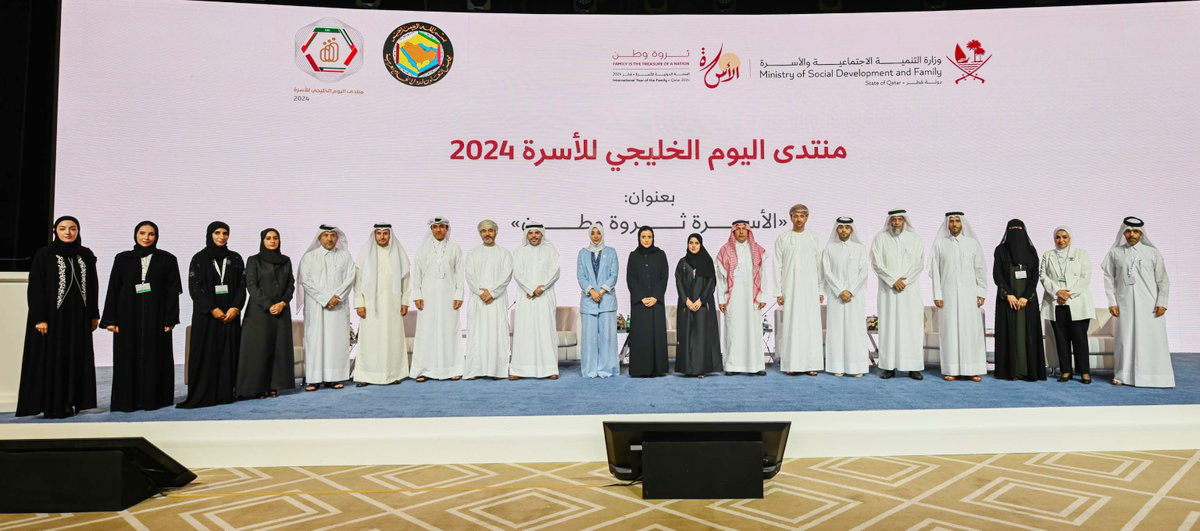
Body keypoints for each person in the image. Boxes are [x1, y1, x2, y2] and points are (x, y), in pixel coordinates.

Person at [16, 216, 99, 418]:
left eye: (72, 228)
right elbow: (36, 288)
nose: (68, 232)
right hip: (53, 319)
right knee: (53, 358)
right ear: (56, 231)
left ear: (78, 231)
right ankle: (53, 403)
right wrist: (39, 318)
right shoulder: (45, 254)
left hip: (78, 319)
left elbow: (93, 286)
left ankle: (71, 400)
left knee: (75, 357)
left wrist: (94, 314)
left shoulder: (85, 255)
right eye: (63, 228)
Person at [101, 221, 181, 411]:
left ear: (156, 236)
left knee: (156, 356)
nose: (146, 237)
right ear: (135, 235)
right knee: (127, 356)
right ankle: (127, 401)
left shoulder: (167, 259)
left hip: (157, 317)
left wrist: (171, 319)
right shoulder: (122, 259)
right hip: (127, 316)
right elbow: (114, 288)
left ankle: (155, 400)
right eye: (142, 233)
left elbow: (173, 292)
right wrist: (110, 320)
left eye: (151, 234)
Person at [178, 221, 244, 408]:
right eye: (217, 233)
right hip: (206, 316)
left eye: (225, 233)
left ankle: (225, 393)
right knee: (205, 353)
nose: (222, 236)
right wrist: (212, 309)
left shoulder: (236, 258)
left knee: (227, 354)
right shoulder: (199, 258)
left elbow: (242, 287)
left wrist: (235, 308)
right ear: (209, 234)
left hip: (230, 315)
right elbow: (195, 288)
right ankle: (204, 394)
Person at [1102, 217, 1173, 388]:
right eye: (1128, 231)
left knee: (1152, 340)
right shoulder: (1115, 253)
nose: (1131, 234)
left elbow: (1163, 281)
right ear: (1123, 232)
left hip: (1150, 306)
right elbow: (1109, 279)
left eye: (1135, 231)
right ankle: (1122, 375)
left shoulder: (1152, 253)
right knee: (1124, 340)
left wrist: (1162, 302)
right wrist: (1112, 302)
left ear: (1141, 233)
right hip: (1124, 305)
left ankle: (1155, 377)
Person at [236, 228, 296, 398]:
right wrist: (269, 305)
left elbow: (291, 284)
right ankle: (257, 387)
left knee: (278, 349)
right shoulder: (254, 260)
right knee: (258, 349)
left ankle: (275, 386)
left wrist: (283, 302)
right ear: (262, 240)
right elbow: (251, 285)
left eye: (275, 238)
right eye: (268, 238)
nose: (272, 241)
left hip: (281, 311)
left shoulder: (286, 261)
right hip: (259, 312)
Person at [929, 212, 987, 382]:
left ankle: (972, 369)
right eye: (951, 221)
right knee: (950, 331)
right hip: (948, 296)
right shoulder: (940, 245)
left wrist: (981, 292)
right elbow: (936, 272)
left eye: (957, 221)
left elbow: (980, 269)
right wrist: (937, 295)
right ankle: (951, 369)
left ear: (962, 224)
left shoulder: (972, 244)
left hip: (970, 296)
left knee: (971, 331)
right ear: (947, 224)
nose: (954, 224)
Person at [297, 225, 355, 391]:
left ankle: (334, 378)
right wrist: (326, 299)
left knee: (336, 341)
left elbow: (350, 277)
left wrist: (337, 297)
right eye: (326, 236)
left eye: (332, 236)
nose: (329, 239)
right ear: (319, 238)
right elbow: (306, 281)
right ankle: (314, 379)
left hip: (338, 306)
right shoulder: (309, 257)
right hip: (316, 307)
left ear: (337, 238)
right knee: (315, 341)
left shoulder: (345, 256)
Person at [353, 223, 411, 387]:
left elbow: (406, 280)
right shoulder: (365, 254)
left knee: (392, 339)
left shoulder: (398, 254)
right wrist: (359, 304)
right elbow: (358, 283)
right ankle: (366, 376)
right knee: (370, 341)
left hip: (393, 305)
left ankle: (393, 375)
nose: (382, 237)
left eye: (385, 233)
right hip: (371, 305)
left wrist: (405, 301)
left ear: (390, 235)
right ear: (374, 235)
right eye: (379, 233)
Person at [870, 210, 925, 380]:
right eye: (893, 220)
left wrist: (904, 281)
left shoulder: (914, 239)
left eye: (900, 219)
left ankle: (913, 367)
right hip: (889, 291)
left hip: (909, 292)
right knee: (889, 328)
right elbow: (876, 263)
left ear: (904, 221)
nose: (896, 223)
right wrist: (893, 280)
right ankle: (888, 367)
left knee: (911, 328)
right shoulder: (880, 239)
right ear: (889, 221)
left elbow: (919, 263)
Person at [410, 217, 464, 382]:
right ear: (431, 229)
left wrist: (459, 295)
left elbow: (459, 274)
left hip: (449, 297)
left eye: (442, 227)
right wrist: (417, 295)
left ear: (447, 229)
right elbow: (417, 274)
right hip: (427, 297)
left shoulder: (455, 249)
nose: (439, 230)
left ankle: (453, 369)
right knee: (427, 331)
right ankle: (425, 370)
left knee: (450, 331)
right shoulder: (422, 250)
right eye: (435, 227)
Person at [1039, 226, 1095, 384]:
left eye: (1064, 237)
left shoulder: (1081, 254)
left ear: (1070, 238)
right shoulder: (1047, 255)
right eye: (1058, 237)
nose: (1061, 240)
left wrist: (1068, 294)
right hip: (1056, 302)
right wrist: (1058, 292)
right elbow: (1043, 276)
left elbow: (1085, 277)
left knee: (1079, 339)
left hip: (1076, 302)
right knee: (1061, 339)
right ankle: (1065, 370)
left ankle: (1084, 371)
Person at [992, 219, 1046, 381]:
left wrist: (1025, 297)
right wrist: (1008, 294)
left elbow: (1035, 275)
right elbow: (998, 274)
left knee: (1026, 333)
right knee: (1008, 332)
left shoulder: (1031, 251)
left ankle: (1028, 371)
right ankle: (1010, 371)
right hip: (1007, 299)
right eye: (1012, 229)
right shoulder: (1000, 250)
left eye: (1018, 229)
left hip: (1026, 301)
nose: (1016, 233)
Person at [773, 204, 824, 376]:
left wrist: (820, 290)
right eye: (796, 216)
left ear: (807, 218)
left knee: (810, 326)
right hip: (790, 289)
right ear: (791, 217)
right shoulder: (783, 238)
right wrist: (778, 292)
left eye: (802, 216)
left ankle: (811, 365)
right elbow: (777, 266)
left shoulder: (814, 238)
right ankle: (792, 364)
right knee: (792, 326)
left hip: (810, 289)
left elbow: (820, 266)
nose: (799, 219)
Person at [716, 220, 770, 375]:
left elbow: (763, 275)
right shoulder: (725, 251)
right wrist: (721, 299)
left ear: (748, 232)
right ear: (733, 232)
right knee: (733, 331)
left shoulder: (757, 251)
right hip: (732, 299)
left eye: (743, 229)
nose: (740, 232)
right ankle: (732, 366)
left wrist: (763, 296)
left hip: (752, 299)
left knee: (753, 331)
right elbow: (720, 278)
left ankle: (756, 366)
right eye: (737, 229)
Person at [463, 220, 513, 379]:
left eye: (490, 230)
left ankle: (497, 371)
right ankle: (474, 371)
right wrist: (481, 292)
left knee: (497, 334)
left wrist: (492, 293)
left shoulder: (505, 253)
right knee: (477, 335)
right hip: (478, 301)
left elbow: (506, 276)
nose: (487, 234)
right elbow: (470, 276)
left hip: (496, 301)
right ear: (479, 233)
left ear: (496, 232)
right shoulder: (472, 253)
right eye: (483, 231)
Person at [510, 223, 561, 380]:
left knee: (545, 330)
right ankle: (519, 370)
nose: (533, 236)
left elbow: (555, 272)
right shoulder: (518, 252)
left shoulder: (550, 251)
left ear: (542, 235)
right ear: (526, 235)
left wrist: (541, 288)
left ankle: (550, 368)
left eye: (537, 233)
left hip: (545, 296)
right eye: (530, 233)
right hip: (526, 297)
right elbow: (517, 273)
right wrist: (532, 288)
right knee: (525, 331)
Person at [821, 217, 870, 377]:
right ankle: (837, 367)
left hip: (855, 297)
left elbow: (863, 271)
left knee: (855, 330)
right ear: (837, 230)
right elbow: (827, 271)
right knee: (836, 331)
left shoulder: (860, 248)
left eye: (846, 228)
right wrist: (840, 290)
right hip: (836, 297)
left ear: (851, 230)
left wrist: (851, 291)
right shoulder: (829, 248)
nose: (843, 230)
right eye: (840, 227)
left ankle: (857, 368)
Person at [675, 233, 721, 377]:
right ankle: (688, 369)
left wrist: (701, 300)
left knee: (701, 337)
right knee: (687, 336)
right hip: (686, 306)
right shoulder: (682, 263)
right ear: (687, 245)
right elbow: (679, 283)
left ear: (701, 245)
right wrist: (686, 300)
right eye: (691, 243)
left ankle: (701, 369)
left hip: (702, 305)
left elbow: (711, 283)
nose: (693, 245)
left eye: (696, 243)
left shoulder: (706, 261)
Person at [626, 226, 669, 377]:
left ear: (653, 238)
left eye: (649, 237)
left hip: (656, 303)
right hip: (640, 304)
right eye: (643, 237)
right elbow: (631, 279)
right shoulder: (633, 256)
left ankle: (658, 369)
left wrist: (656, 297)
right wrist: (641, 297)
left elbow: (664, 277)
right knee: (641, 336)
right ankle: (641, 369)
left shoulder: (660, 255)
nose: (646, 240)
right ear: (639, 238)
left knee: (656, 335)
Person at [577, 225, 619, 378]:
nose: (595, 236)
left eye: (598, 233)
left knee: (608, 337)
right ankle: (590, 370)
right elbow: (581, 276)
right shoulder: (582, 253)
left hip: (606, 300)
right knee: (589, 338)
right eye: (593, 233)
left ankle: (607, 369)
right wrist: (591, 291)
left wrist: (600, 291)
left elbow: (613, 275)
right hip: (589, 301)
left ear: (603, 234)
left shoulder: (611, 252)